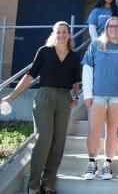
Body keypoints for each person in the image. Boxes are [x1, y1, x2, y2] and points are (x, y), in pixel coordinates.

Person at [2, 22, 80, 194]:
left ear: (69, 35)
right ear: (54, 34)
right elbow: (30, 76)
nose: (61, 35)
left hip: (64, 99)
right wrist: (11, 96)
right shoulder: (44, 51)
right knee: (43, 139)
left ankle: (49, 183)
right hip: (45, 96)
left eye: (64, 32)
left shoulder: (74, 56)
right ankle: (34, 184)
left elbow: (76, 79)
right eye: (58, 32)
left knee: (58, 142)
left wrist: (75, 96)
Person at [82, 17, 118, 181]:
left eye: (117, 26)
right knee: (93, 130)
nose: (114, 28)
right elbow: (87, 69)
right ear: (106, 28)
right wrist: (87, 94)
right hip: (98, 95)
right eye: (110, 26)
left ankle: (108, 163)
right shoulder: (96, 45)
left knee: (112, 130)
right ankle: (92, 163)